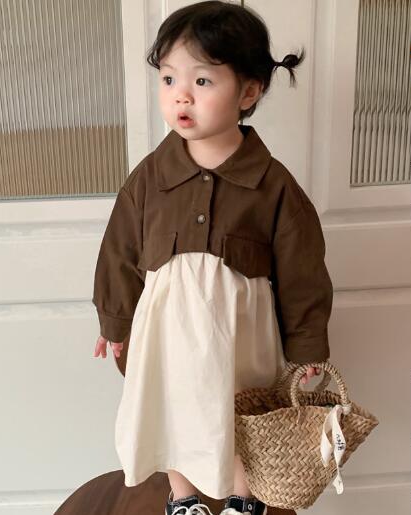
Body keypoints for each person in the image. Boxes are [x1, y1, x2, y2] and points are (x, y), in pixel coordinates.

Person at [92, 2, 331, 514]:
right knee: (171, 411)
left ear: (248, 92)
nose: (181, 94)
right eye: (169, 78)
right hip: (168, 333)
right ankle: (183, 499)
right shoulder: (149, 177)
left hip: (241, 336)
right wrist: (114, 320)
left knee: (241, 414)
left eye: (202, 81)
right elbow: (120, 250)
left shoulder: (272, 185)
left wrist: (308, 346)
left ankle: (244, 499)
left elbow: (303, 269)